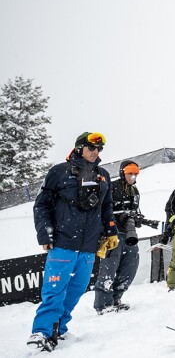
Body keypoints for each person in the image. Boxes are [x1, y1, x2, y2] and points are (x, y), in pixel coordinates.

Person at [28, 132, 118, 352]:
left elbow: (106, 207)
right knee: (55, 291)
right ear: (79, 148)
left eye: (99, 149)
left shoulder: (103, 175)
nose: (95, 153)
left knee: (76, 291)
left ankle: (60, 328)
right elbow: (41, 205)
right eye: (91, 148)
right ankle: (42, 332)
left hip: (89, 247)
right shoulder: (58, 172)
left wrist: (111, 231)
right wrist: (45, 234)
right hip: (62, 244)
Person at [94, 160, 142, 314]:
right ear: (122, 172)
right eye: (130, 173)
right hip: (111, 234)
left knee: (130, 265)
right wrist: (115, 219)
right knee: (109, 268)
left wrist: (137, 218)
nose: (133, 176)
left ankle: (117, 298)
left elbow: (135, 212)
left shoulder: (135, 191)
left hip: (129, 234)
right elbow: (102, 210)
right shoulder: (111, 187)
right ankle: (103, 304)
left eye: (135, 173)